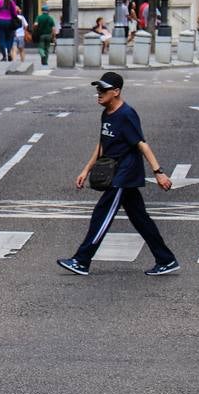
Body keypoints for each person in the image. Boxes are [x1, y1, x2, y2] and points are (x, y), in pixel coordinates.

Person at [57, 71, 179, 277]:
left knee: (101, 214)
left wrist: (159, 173)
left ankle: (81, 260)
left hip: (123, 175)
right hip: (117, 173)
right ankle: (166, 259)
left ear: (116, 91)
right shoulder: (107, 113)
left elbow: (142, 144)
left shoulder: (126, 114)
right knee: (140, 219)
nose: (99, 93)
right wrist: (86, 170)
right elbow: (102, 144)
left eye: (103, 89)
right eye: (98, 89)